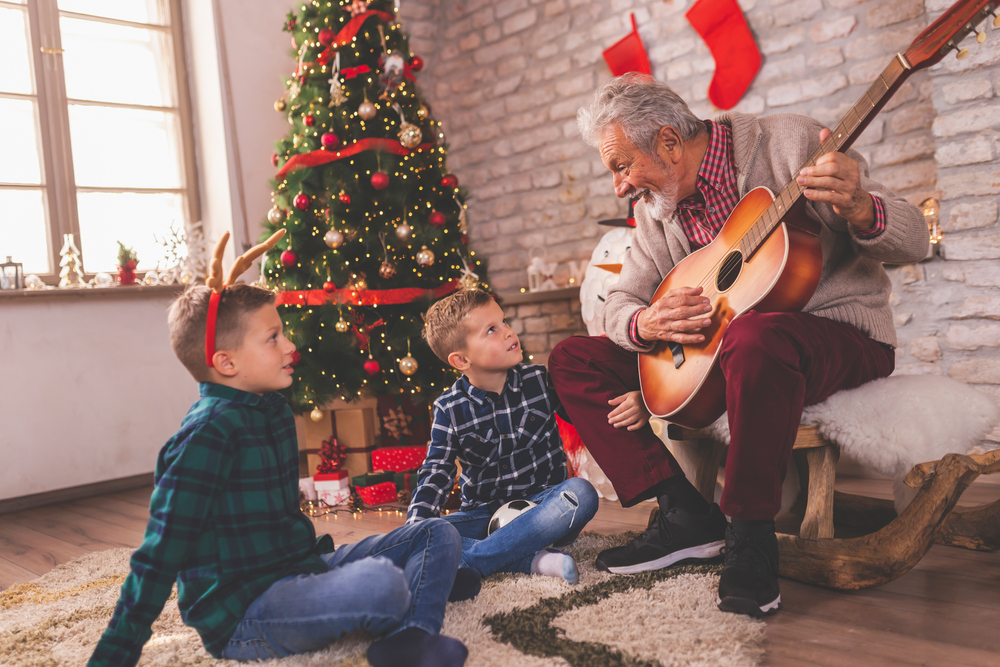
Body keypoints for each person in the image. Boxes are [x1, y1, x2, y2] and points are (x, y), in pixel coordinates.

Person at [549, 74, 929, 618]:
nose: (619, 185)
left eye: (620, 164)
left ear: (670, 142)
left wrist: (863, 207)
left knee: (754, 335)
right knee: (572, 359)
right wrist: (646, 321)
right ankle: (684, 514)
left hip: (837, 333)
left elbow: (914, 237)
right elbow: (619, 301)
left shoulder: (791, 145)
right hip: (726, 353)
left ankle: (750, 536)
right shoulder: (656, 212)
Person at [89, 280, 477, 667]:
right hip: (246, 613)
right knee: (382, 583)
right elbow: (158, 553)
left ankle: (412, 635)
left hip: (300, 570)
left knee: (439, 531)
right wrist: (115, 653)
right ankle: (423, 588)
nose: (290, 346)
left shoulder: (271, 409)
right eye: (273, 337)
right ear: (227, 362)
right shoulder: (206, 435)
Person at [407, 289, 600, 584]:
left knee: (581, 494)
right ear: (460, 360)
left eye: (505, 322)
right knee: (431, 534)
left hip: (545, 506)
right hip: (484, 515)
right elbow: (437, 473)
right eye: (492, 330)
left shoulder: (540, 380)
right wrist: (416, 527)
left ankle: (473, 562)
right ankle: (534, 561)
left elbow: (586, 418)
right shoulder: (448, 408)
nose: (509, 332)